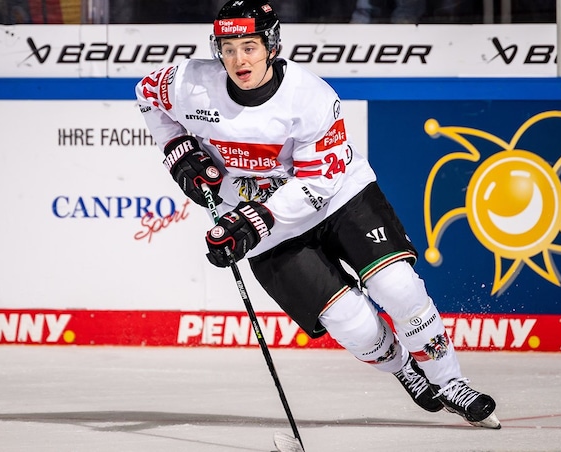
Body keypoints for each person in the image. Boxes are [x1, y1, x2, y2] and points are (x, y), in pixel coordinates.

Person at [135, 0, 500, 429]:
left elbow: (317, 185)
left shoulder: (310, 97)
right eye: (229, 48)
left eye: (249, 47)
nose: (239, 60)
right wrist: (177, 151)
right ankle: (404, 367)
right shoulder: (189, 84)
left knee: (399, 288)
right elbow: (146, 96)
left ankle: (450, 382)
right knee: (354, 325)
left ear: (270, 45)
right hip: (264, 225)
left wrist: (254, 220)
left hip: (337, 198)